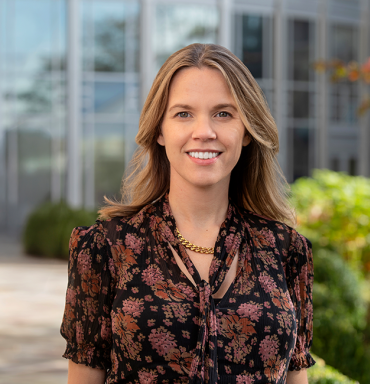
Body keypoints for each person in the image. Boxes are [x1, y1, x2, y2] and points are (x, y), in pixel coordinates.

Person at [61, 43, 315, 384]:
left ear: (247, 131)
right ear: (160, 131)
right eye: (183, 113)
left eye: (224, 113)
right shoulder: (104, 248)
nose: (204, 132)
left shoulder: (287, 250)